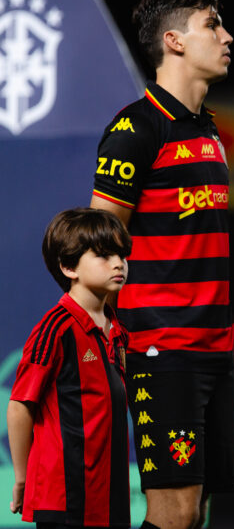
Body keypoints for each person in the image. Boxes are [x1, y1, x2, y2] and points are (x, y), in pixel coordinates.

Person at [90, 0, 234, 529]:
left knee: (195, 511)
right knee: (172, 512)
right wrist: (113, 334)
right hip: (162, 346)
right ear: (173, 41)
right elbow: (98, 244)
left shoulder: (209, 129)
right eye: (212, 25)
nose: (227, 37)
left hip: (215, 347)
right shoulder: (135, 129)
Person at [7, 208, 132, 528]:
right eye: (104, 255)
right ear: (67, 266)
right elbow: (20, 405)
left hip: (111, 498)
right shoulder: (55, 329)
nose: (118, 263)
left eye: (122, 254)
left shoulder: (118, 330)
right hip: (64, 501)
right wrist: (22, 477)